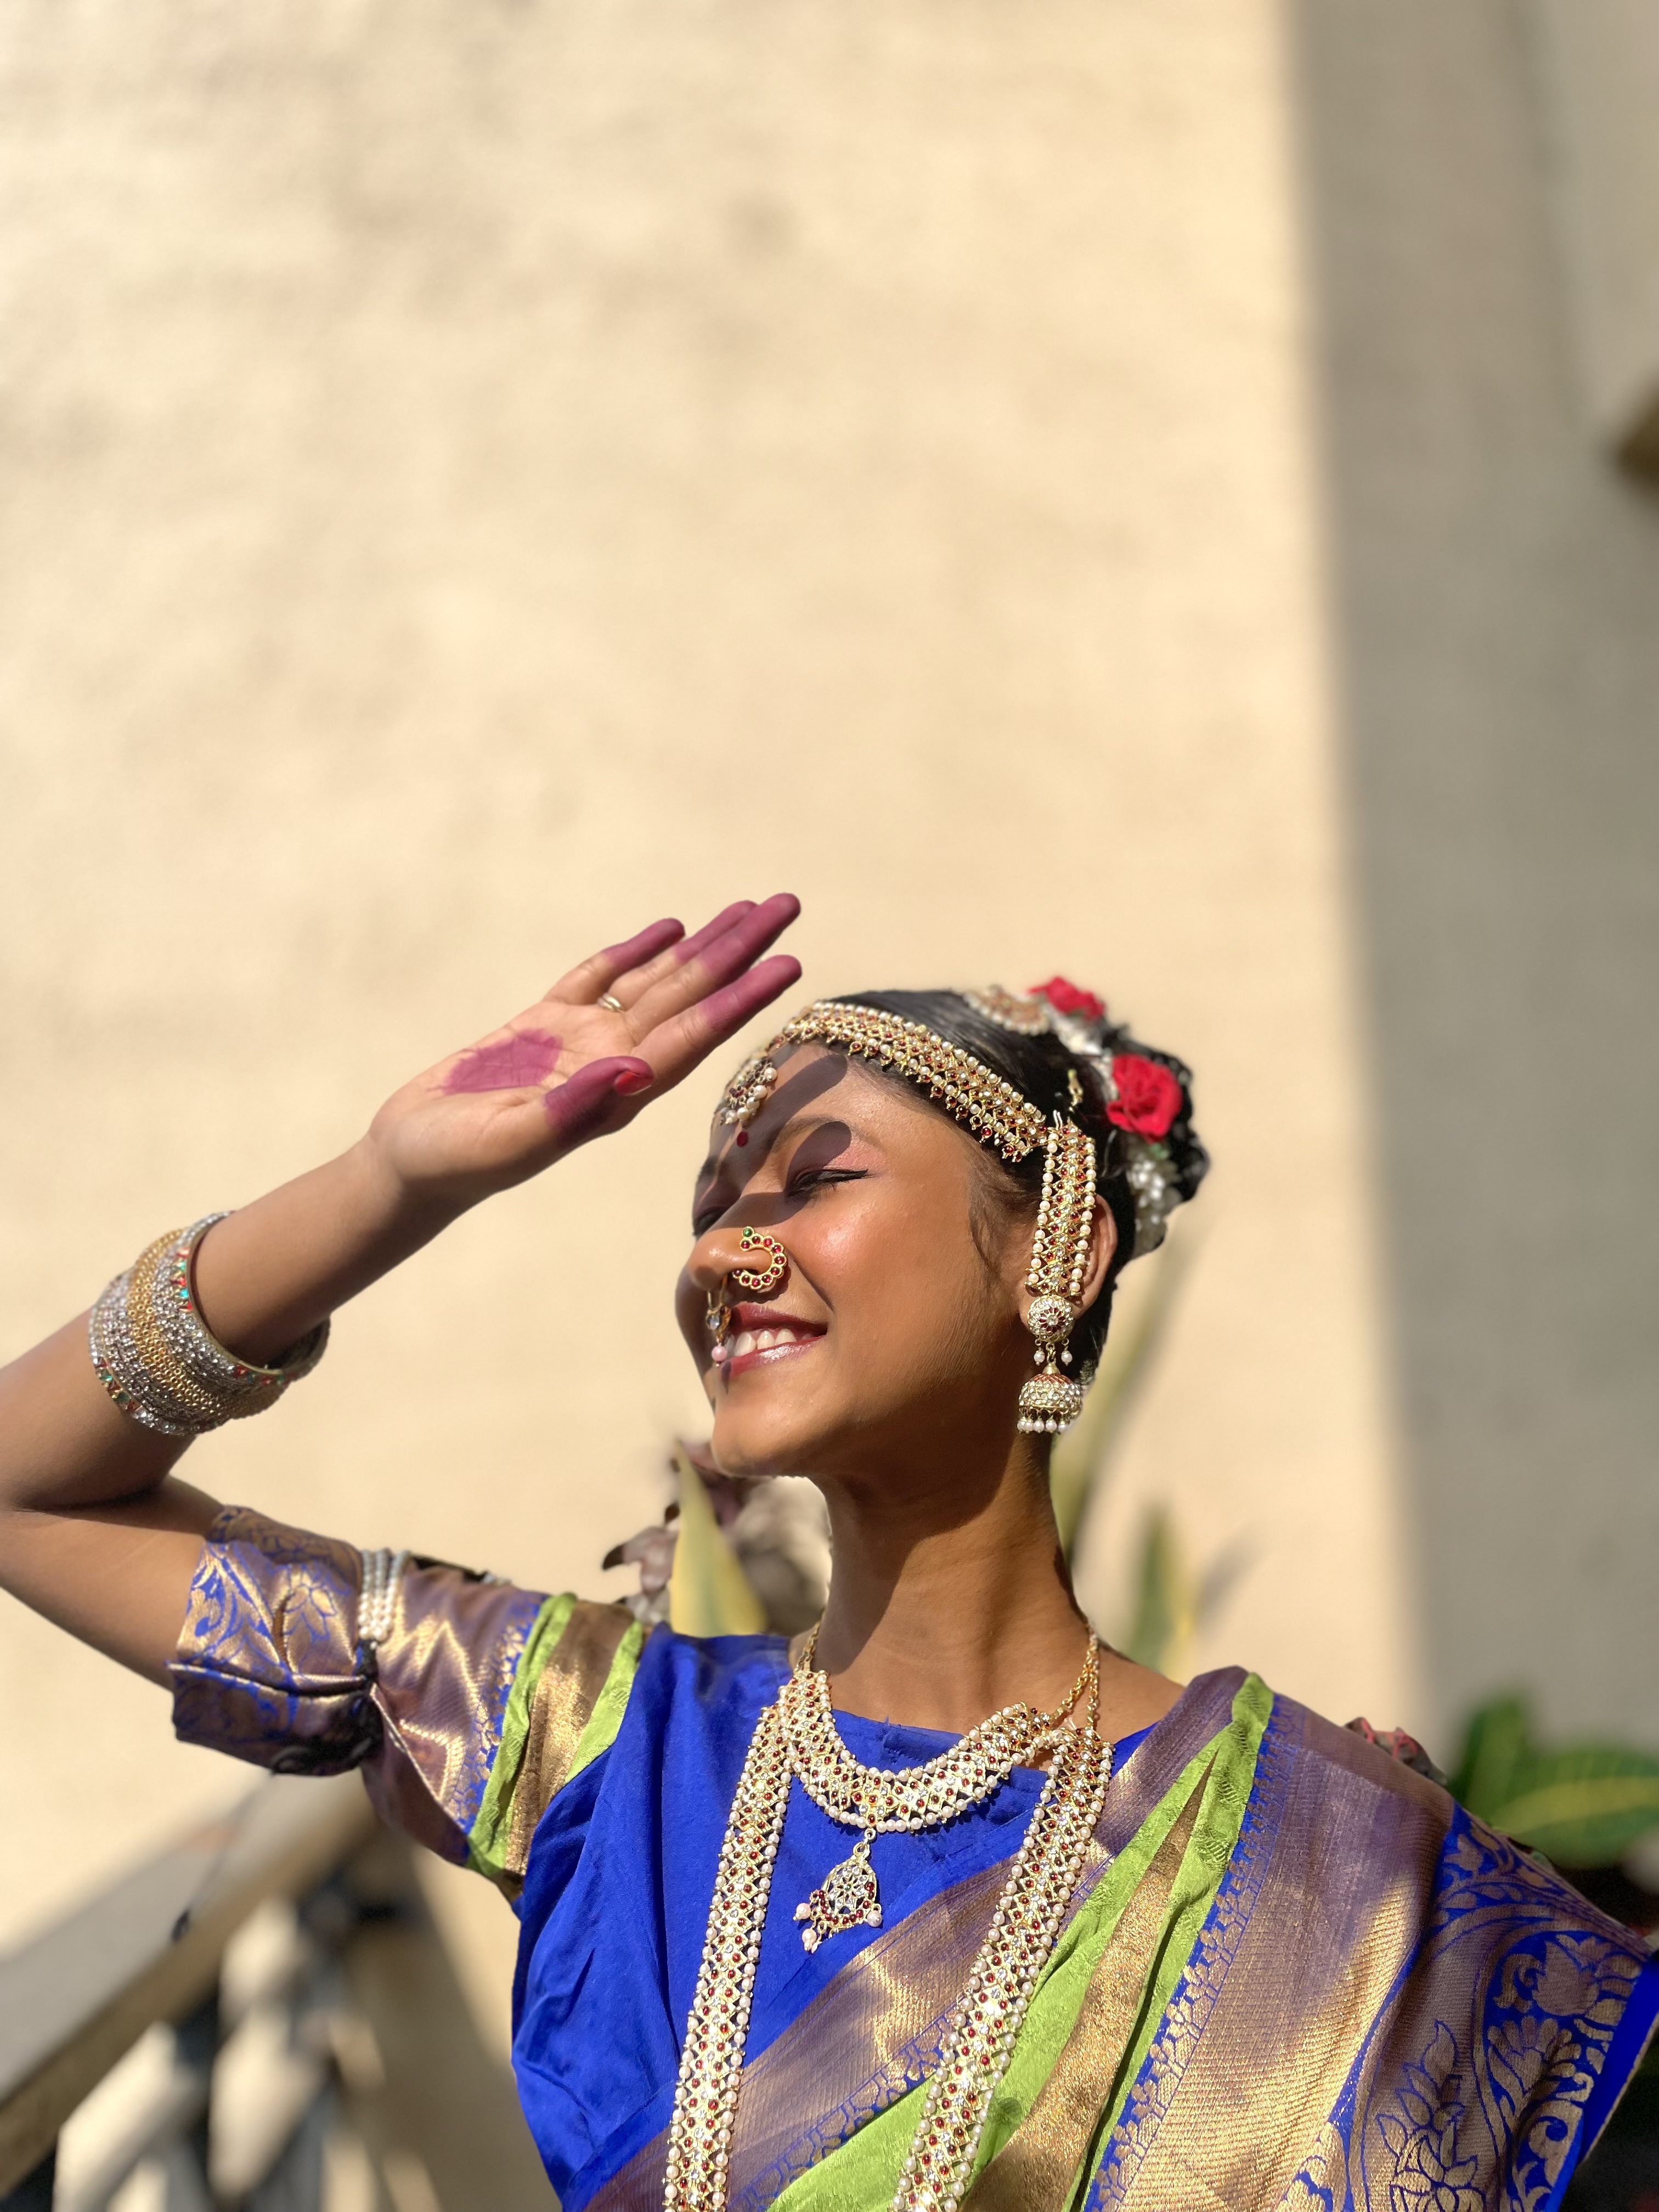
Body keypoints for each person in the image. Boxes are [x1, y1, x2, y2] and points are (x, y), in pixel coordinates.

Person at [1, 893, 1652, 2212]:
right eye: (711, 1208)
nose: (729, 1250)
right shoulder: (598, 1739)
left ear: (1057, 1252)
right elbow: (29, 1493)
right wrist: (394, 1181)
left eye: (814, 1181)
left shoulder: (1332, 1870)